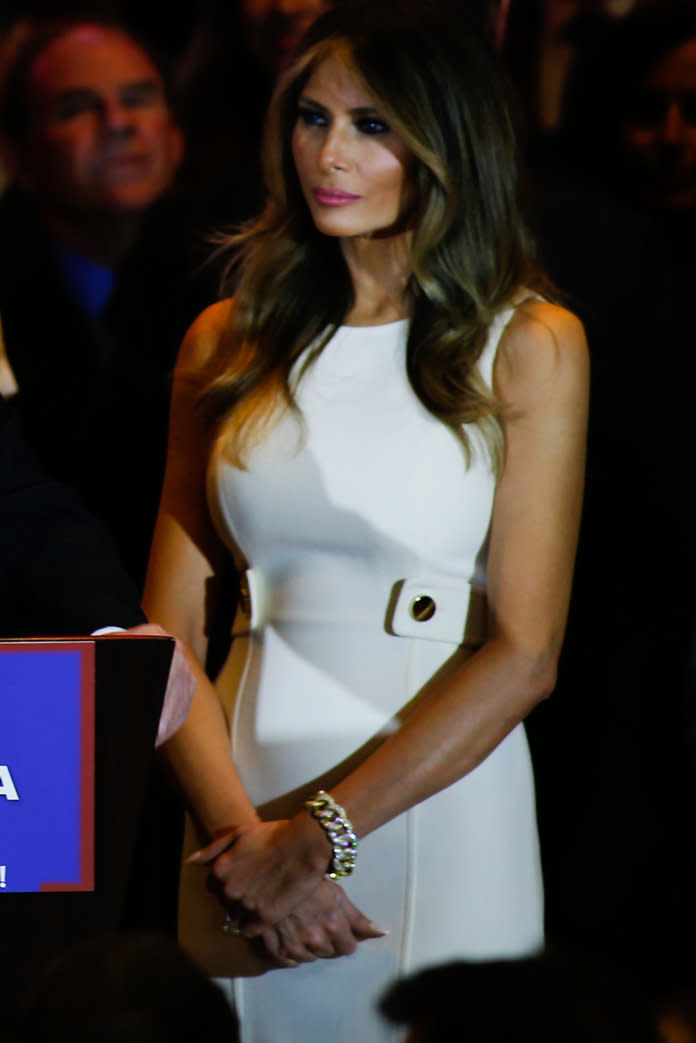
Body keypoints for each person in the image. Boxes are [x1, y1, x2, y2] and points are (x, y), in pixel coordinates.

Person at [143, 2, 589, 1040]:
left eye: (373, 125)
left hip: (439, 793)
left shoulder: (528, 341)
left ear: (447, 144)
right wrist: (246, 839)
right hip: (235, 804)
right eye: (312, 117)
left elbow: (527, 653)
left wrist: (320, 836)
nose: (329, 153)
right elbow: (164, 630)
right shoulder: (225, 339)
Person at [0, 17, 205, 585]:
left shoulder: (240, 282)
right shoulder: (10, 292)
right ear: (17, 154)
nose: (118, 124)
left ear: (176, 132)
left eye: (138, 100)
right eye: (77, 108)